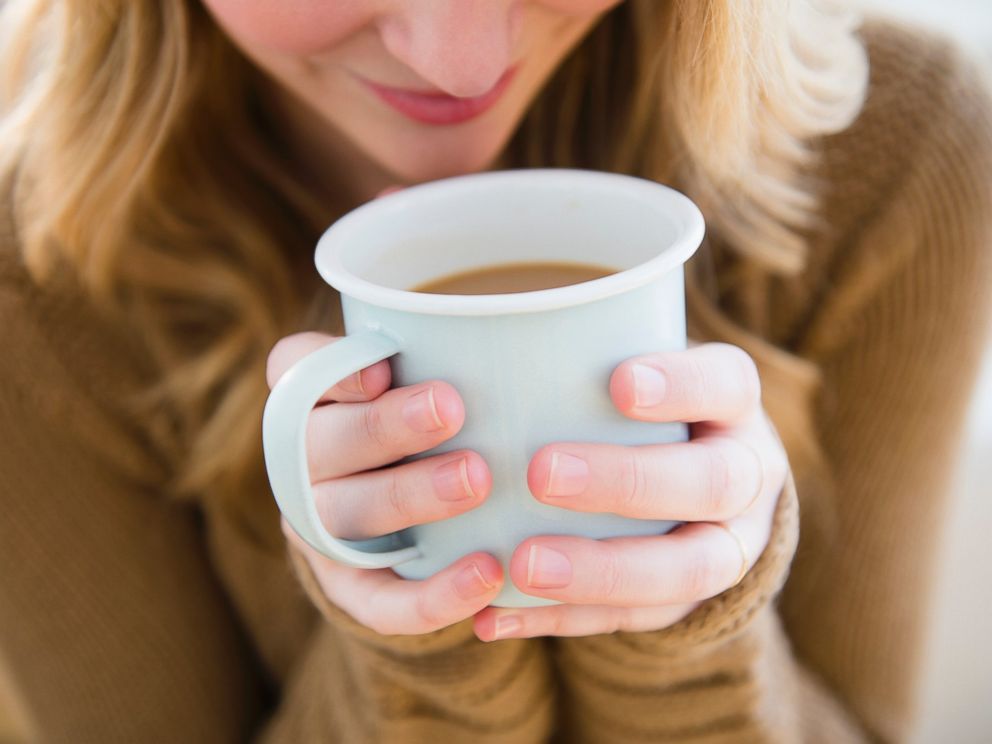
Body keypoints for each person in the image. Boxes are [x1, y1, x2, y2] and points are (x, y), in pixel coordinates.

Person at [0, 0, 989, 741]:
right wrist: (415, 646)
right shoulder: (34, 290)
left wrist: (695, 629)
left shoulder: (894, 158)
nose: (457, 56)